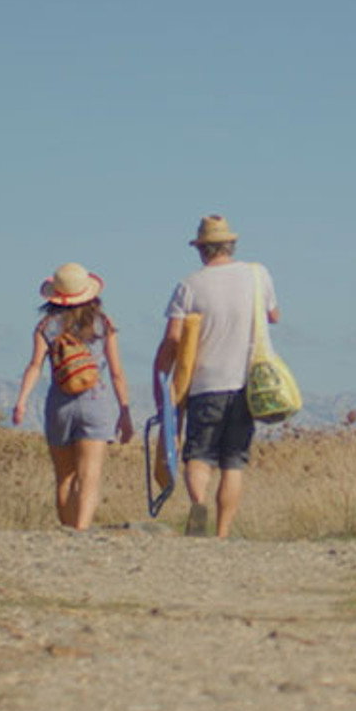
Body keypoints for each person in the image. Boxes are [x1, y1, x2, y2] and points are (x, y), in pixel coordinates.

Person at [153, 215, 279, 539]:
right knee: (233, 463)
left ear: (201, 249)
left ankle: (198, 506)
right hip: (246, 385)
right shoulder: (257, 275)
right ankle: (222, 533)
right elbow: (274, 315)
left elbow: (173, 337)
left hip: (205, 385)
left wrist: (162, 373)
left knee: (198, 457)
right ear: (231, 244)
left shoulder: (189, 285)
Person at [13, 261, 134, 530]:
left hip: (60, 404)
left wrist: (21, 401)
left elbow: (34, 366)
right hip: (96, 402)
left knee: (64, 478)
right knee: (89, 477)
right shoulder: (103, 324)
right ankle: (81, 534)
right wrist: (124, 410)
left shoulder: (46, 327)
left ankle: (68, 534)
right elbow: (116, 373)